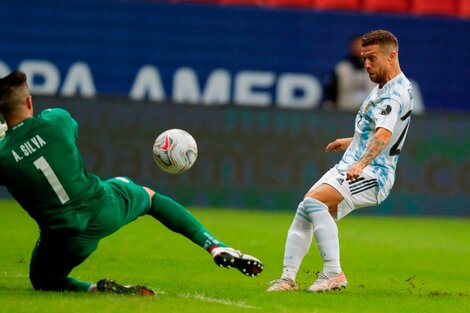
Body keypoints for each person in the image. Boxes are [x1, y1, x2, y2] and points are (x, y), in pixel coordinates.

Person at [0, 71, 263, 296]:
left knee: (45, 281)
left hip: (64, 238)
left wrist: (7, 139)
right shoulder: (56, 120)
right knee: (149, 198)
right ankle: (214, 245)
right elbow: (56, 134)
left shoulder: (3, 156)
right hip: (103, 208)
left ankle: (93, 290)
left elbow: (19, 149)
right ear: (29, 101)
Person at [268, 30, 413, 292]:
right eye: (363, 59)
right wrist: (352, 142)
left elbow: (384, 134)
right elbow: (376, 131)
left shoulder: (393, 94)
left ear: (392, 56)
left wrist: (361, 163)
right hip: (353, 164)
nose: (366, 65)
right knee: (306, 208)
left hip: (373, 174)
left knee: (314, 203)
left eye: (372, 58)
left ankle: (333, 273)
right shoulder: (386, 87)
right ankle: (288, 280)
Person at [323, 35, 376, 111]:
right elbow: (331, 95)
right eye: (357, 45)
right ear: (351, 47)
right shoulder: (341, 68)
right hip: (344, 113)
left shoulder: (375, 69)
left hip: (368, 115)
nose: (360, 48)